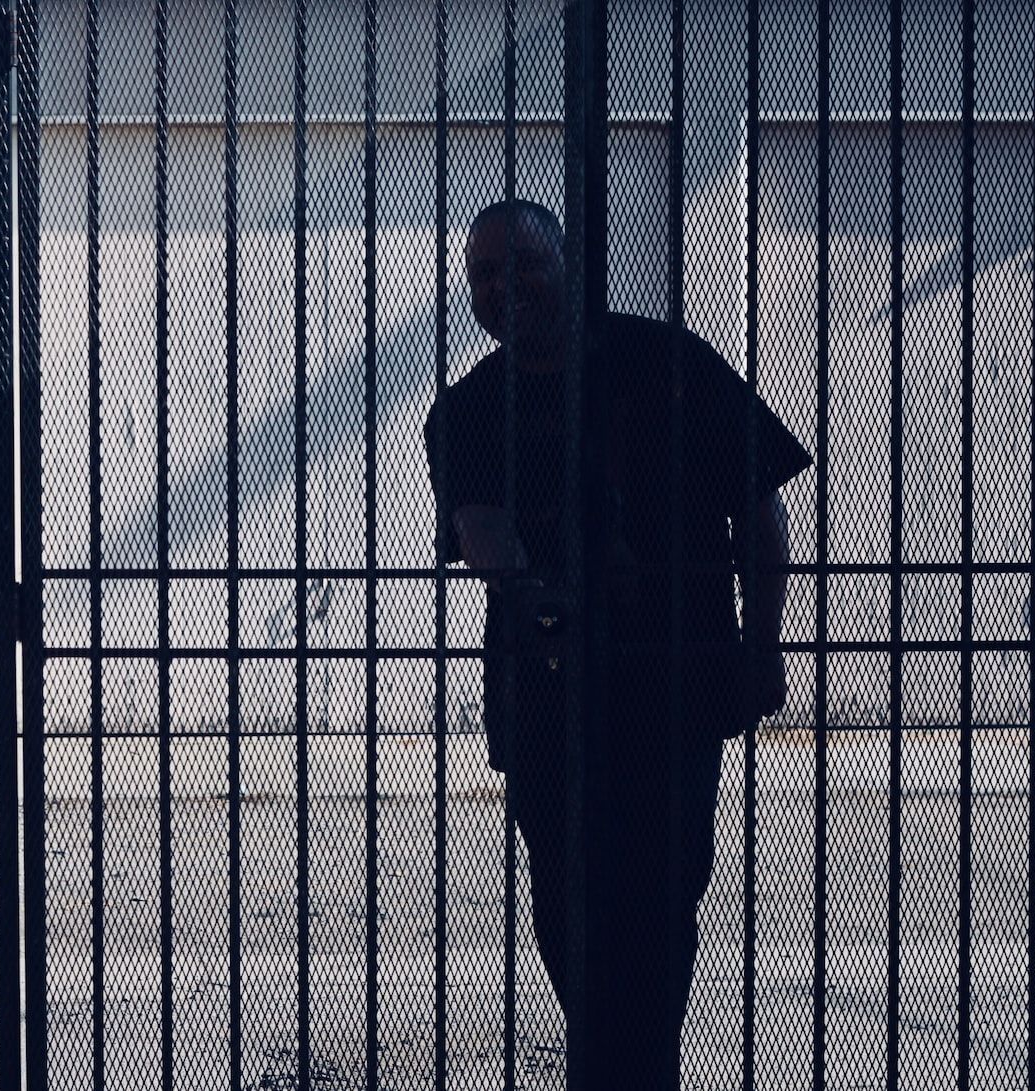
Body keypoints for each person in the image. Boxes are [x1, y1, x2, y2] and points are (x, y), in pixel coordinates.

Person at [423, 199, 812, 1089]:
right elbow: (478, 525)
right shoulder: (471, 407)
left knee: (661, 899)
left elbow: (759, 509)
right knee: (566, 903)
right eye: (484, 273)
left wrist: (764, 645)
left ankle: (625, 1069)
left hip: (674, 682)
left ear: (569, 263)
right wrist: (530, 588)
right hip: (546, 690)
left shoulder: (669, 364)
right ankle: (627, 1067)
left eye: (522, 263)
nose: (502, 286)